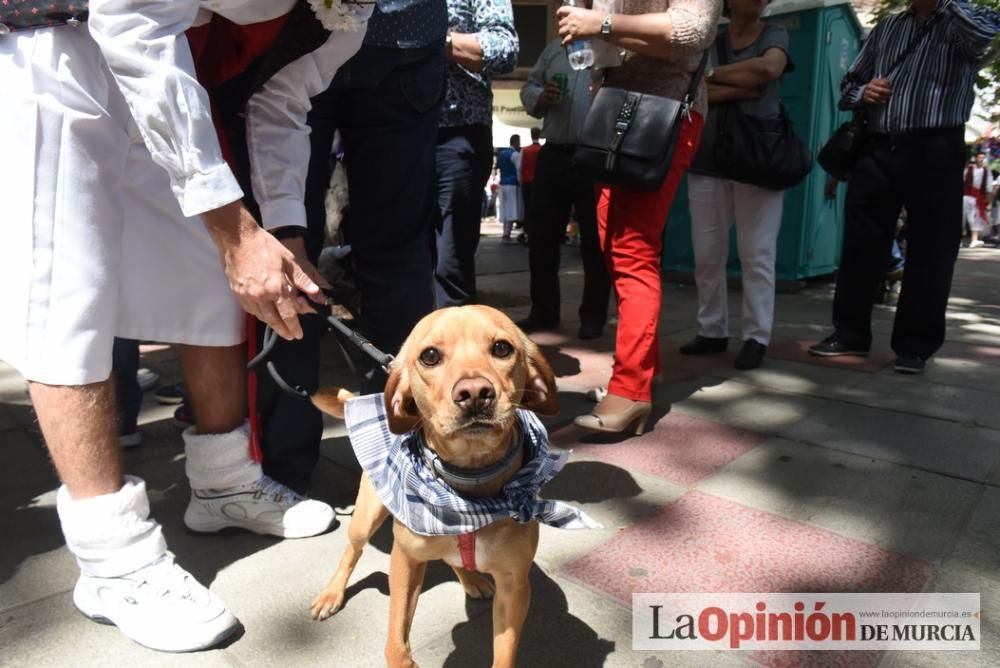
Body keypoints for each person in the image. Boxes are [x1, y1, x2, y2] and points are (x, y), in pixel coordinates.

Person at [0, 0, 372, 652]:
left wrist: (282, 229)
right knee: (68, 292)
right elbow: (127, 18)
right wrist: (232, 226)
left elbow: (282, 102)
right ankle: (111, 559)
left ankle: (223, 482)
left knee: (204, 279)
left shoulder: (354, 11)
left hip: (162, 72)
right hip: (56, 47)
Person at [255, 0, 450, 495]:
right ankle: (404, 450)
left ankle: (284, 461)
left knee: (287, 242)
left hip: (297, 26)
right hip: (405, 33)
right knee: (397, 252)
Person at [809, 0, 1000, 375]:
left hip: (936, 146)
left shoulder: (970, 18)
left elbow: (982, 39)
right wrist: (865, 92)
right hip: (878, 145)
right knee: (861, 242)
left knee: (932, 248)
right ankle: (849, 333)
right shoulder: (888, 27)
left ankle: (914, 346)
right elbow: (848, 86)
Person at [557, 0, 722, 435]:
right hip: (617, 111)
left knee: (631, 250)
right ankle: (643, 370)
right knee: (615, 245)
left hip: (662, 112)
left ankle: (631, 392)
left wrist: (602, 23)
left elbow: (693, 30)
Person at [681, 0, 793, 370]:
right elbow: (694, 92)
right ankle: (711, 329)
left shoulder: (774, 33)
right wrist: (738, 85)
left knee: (756, 253)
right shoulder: (711, 39)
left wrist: (713, 76)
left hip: (758, 160)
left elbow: (769, 67)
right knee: (707, 253)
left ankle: (756, 336)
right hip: (708, 159)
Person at [518, 37, 612, 340]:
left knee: (596, 242)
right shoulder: (555, 48)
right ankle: (543, 311)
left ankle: (593, 316)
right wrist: (540, 97)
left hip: (597, 155)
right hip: (554, 153)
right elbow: (528, 87)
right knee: (541, 236)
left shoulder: (611, 46)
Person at [434, 0, 518, 307]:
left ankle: (455, 350)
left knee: (450, 261)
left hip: (457, 133)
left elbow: (505, 48)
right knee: (396, 256)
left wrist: (437, 40)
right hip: (395, 131)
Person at [496, 134, 524, 242]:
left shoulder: (502, 153)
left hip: (502, 184)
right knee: (512, 209)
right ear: (516, 142)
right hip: (512, 184)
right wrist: (521, 183)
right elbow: (519, 170)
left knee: (504, 209)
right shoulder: (515, 154)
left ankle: (505, 233)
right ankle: (506, 234)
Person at [963, 151, 994, 248]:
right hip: (966, 195)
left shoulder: (987, 171)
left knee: (975, 218)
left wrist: (988, 202)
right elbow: (963, 180)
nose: (981, 159)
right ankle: (958, 240)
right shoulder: (969, 169)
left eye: (983, 158)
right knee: (962, 218)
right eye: (979, 157)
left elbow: (989, 188)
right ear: (976, 158)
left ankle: (974, 240)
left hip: (978, 197)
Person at [519, 126, 543, 216]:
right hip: (538, 182)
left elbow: (519, 167)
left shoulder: (524, 150)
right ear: (539, 135)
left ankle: (527, 226)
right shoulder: (542, 150)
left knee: (527, 204)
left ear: (531, 135)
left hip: (526, 181)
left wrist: (520, 180)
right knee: (538, 204)